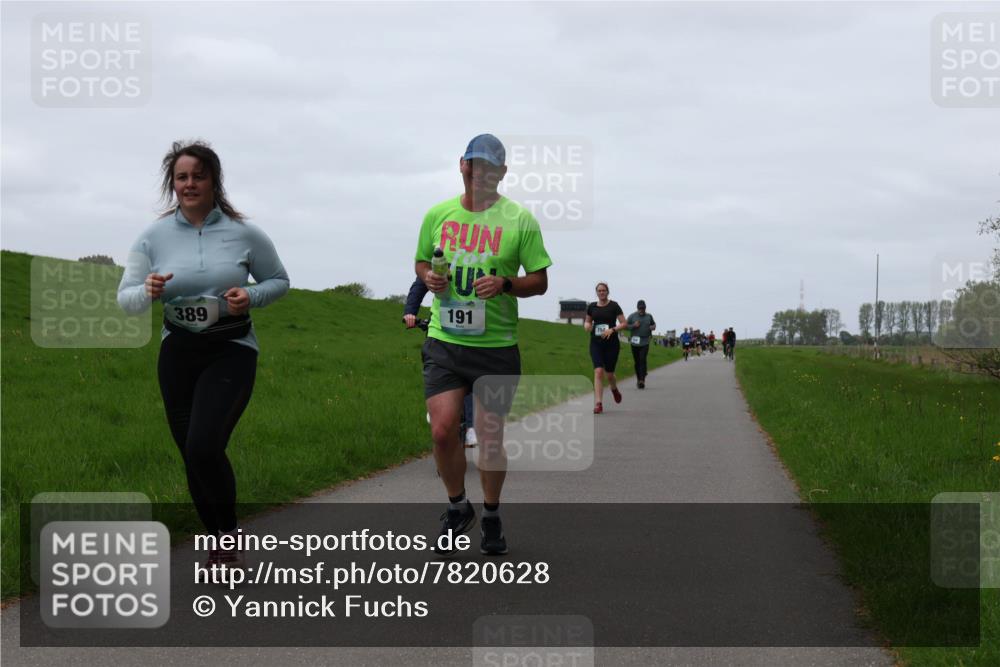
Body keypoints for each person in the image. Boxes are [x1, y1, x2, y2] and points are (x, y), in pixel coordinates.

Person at [117, 140, 289, 569]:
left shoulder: (244, 232)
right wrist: (148, 291)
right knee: (191, 453)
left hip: (230, 348)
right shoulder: (151, 236)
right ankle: (219, 538)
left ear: (214, 181)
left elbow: (279, 281)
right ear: (172, 185)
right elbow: (126, 299)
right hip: (178, 352)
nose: (189, 184)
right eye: (181, 177)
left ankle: (227, 534)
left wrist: (249, 295)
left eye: (198, 175)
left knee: (204, 444)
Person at [415, 133, 551, 556]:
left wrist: (507, 283)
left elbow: (541, 281)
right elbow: (421, 260)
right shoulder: (438, 213)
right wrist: (427, 278)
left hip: (495, 346)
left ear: (502, 173)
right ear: (462, 165)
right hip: (445, 339)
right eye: (475, 165)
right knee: (442, 431)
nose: (481, 174)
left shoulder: (520, 220)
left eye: (491, 168)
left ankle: (491, 514)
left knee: (489, 438)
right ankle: (459, 508)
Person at [403, 277, 476, 446]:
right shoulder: (441, 256)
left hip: (476, 323)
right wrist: (410, 311)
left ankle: (472, 426)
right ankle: (437, 409)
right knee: (433, 364)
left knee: (469, 376)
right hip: (442, 323)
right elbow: (421, 283)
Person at [584, 282, 627, 413]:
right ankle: (598, 403)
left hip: (611, 344)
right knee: (598, 371)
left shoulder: (614, 306)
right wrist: (586, 326)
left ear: (608, 292)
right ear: (596, 293)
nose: (601, 293)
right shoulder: (591, 306)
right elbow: (588, 321)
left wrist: (612, 330)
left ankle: (614, 389)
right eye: (599, 291)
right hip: (596, 343)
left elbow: (624, 323)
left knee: (609, 375)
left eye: (604, 290)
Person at [626, 299, 656, 389]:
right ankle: (639, 379)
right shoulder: (632, 316)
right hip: (635, 342)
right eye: (640, 309)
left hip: (645, 341)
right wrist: (633, 326)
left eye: (643, 309)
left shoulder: (649, 316)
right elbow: (625, 326)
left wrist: (652, 327)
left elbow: (654, 325)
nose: (641, 310)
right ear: (637, 308)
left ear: (645, 308)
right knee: (637, 361)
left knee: (642, 359)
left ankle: (642, 380)